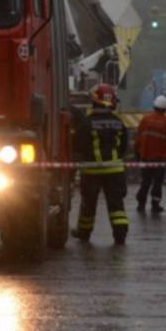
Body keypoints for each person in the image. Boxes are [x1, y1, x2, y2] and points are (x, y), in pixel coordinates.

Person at [71, 84, 130, 245]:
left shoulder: (86, 123)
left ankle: (84, 233)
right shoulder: (119, 123)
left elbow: (78, 145)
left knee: (88, 205)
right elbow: (124, 146)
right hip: (115, 170)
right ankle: (120, 235)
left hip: (92, 171)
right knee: (116, 205)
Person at [134, 96, 166, 214]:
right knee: (157, 183)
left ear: (154, 106)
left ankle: (141, 204)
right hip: (160, 159)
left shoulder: (145, 119)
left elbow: (138, 139)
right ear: (165, 109)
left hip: (145, 157)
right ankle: (155, 205)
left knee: (145, 181)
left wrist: (137, 154)